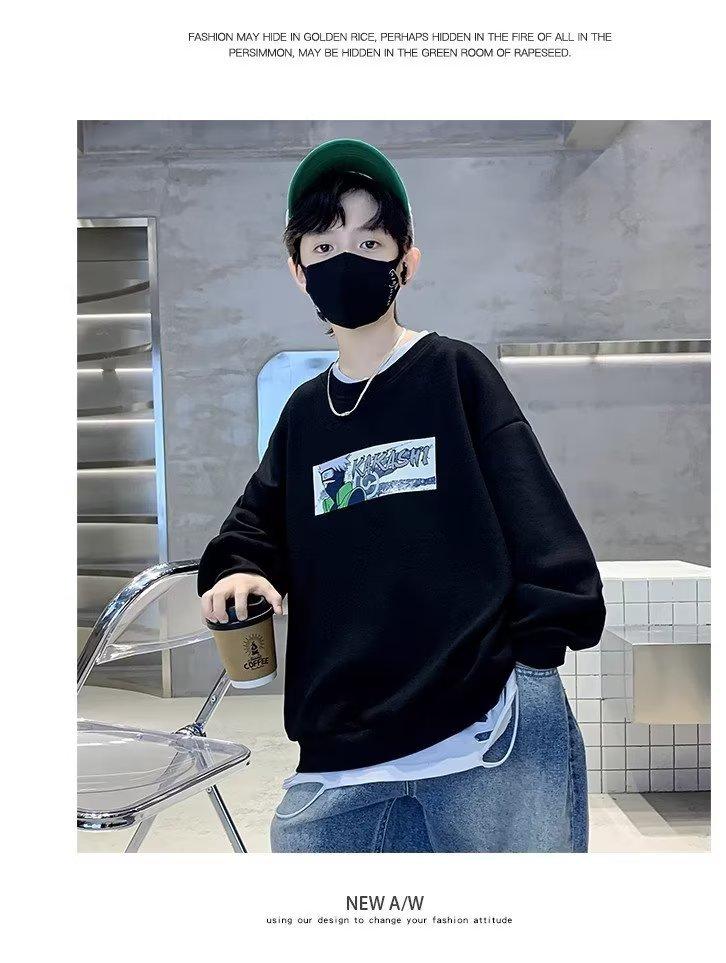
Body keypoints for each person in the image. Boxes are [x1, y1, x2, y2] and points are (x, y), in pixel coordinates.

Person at [197, 138, 606, 852]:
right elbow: (254, 526)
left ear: (405, 262)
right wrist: (239, 568)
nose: (344, 259)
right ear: (298, 271)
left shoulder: (454, 373)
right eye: (323, 246)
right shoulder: (304, 415)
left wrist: (535, 663)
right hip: (343, 759)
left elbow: (539, 524)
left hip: (488, 738)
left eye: (369, 242)